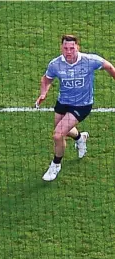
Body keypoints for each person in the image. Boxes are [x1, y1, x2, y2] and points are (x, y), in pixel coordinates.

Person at [36, 35, 115, 181]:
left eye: (72, 48)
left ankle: (56, 165)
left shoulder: (90, 61)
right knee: (61, 130)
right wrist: (43, 93)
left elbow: (109, 67)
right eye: (65, 48)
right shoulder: (55, 64)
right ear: (61, 48)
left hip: (82, 105)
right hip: (63, 102)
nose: (68, 51)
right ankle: (80, 138)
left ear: (78, 47)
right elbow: (46, 79)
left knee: (58, 135)